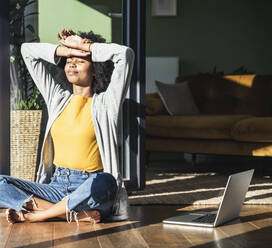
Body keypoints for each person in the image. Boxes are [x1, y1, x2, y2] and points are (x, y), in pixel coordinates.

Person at [0, 29, 135, 224]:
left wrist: (86, 47)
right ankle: (72, 214)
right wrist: (64, 50)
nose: (72, 63)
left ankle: (41, 214)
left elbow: (125, 55)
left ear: (95, 68)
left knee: (107, 181)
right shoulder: (57, 98)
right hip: (56, 185)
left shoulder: (107, 104)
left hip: (90, 186)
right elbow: (27, 51)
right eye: (69, 60)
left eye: (80, 60)